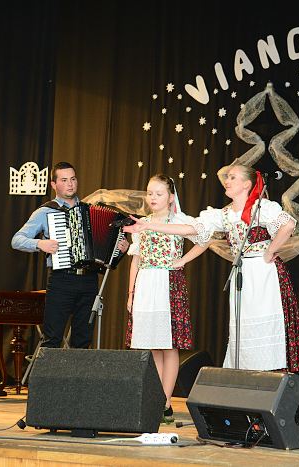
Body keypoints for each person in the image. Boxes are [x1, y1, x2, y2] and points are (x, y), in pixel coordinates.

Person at [124, 164, 299, 377]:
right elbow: (191, 229)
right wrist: (149, 226)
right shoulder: (223, 215)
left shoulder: (262, 208)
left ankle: (274, 378)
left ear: (246, 184)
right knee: (243, 329)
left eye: (232, 177)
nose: (227, 181)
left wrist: (270, 251)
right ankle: (247, 379)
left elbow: (288, 225)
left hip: (264, 274)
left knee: (268, 325)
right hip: (242, 272)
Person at [12, 161, 128, 349]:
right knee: (52, 339)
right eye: (64, 180)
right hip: (62, 280)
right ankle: (48, 370)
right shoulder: (46, 211)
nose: (70, 184)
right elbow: (17, 240)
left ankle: (79, 370)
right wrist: (40, 243)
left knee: (83, 341)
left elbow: (107, 252)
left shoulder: (89, 209)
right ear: (53, 184)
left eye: (73, 179)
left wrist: (120, 248)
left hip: (89, 280)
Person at [125, 174, 206, 423]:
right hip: (145, 285)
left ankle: (166, 402)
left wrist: (182, 260)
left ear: (171, 197)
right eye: (150, 193)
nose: (153, 198)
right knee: (151, 345)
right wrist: (131, 293)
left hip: (167, 284)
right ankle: (155, 398)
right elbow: (136, 259)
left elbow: (204, 238)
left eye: (159, 193)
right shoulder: (143, 223)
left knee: (169, 345)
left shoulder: (180, 220)